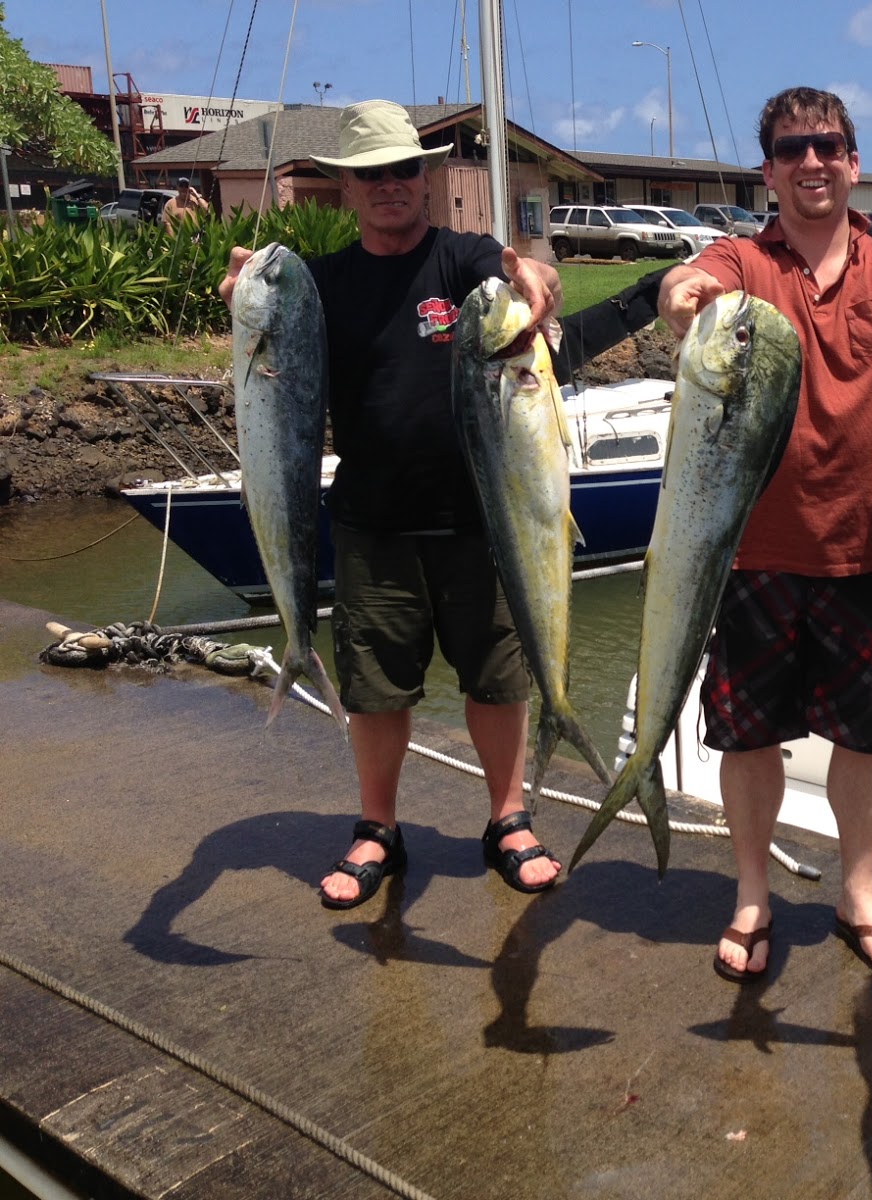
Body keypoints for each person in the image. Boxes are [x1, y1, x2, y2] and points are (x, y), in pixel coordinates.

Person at [220, 100, 666, 910]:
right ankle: (377, 828)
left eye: (402, 171)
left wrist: (535, 277)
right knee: (377, 689)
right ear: (347, 191)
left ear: (424, 180)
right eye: (371, 176)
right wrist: (247, 301)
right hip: (372, 523)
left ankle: (508, 819)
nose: (389, 186)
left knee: (498, 680)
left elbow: (521, 275)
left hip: (485, 519)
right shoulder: (320, 284)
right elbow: (274, 358)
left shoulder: (462, 262)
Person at [656, 87, 872, 983]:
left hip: (862, 550)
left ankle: (859, 889)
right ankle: (750, 891)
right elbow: (693, 283)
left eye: (827, 146)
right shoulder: (744, 258)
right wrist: (680, 289)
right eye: (791, 148)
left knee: (865, 736)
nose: (811, 161)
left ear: (853, 162)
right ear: (769, 169)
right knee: (746, 736)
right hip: (753, 552)